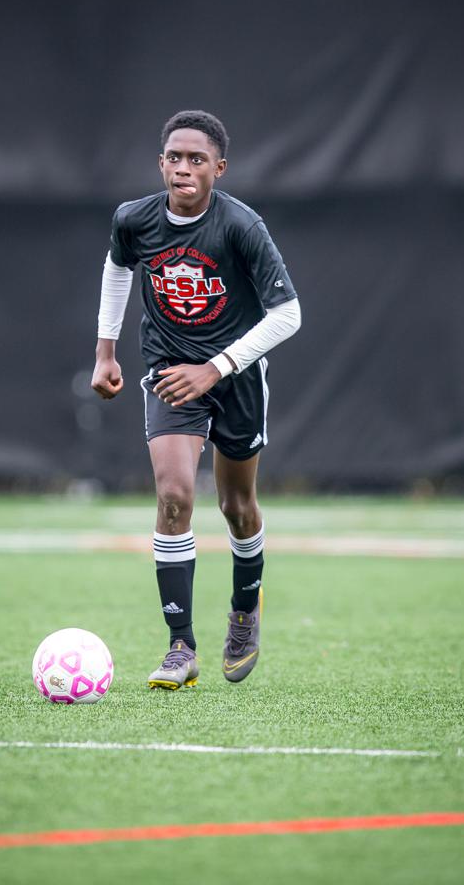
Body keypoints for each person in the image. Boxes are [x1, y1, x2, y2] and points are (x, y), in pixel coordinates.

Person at [91, 110, 301, 690]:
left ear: (219, 169)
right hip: (168, 373)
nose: (183, 168)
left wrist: (216, 367)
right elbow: (117, 268)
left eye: (197, 160)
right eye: (174, 158)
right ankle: (180, 646)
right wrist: (106, 352)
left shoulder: (240, 226)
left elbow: (289, 314)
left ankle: (244, 610)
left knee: (237, 507)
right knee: (176, 494)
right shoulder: (134, 220)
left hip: (233, 376)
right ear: (161, 163)